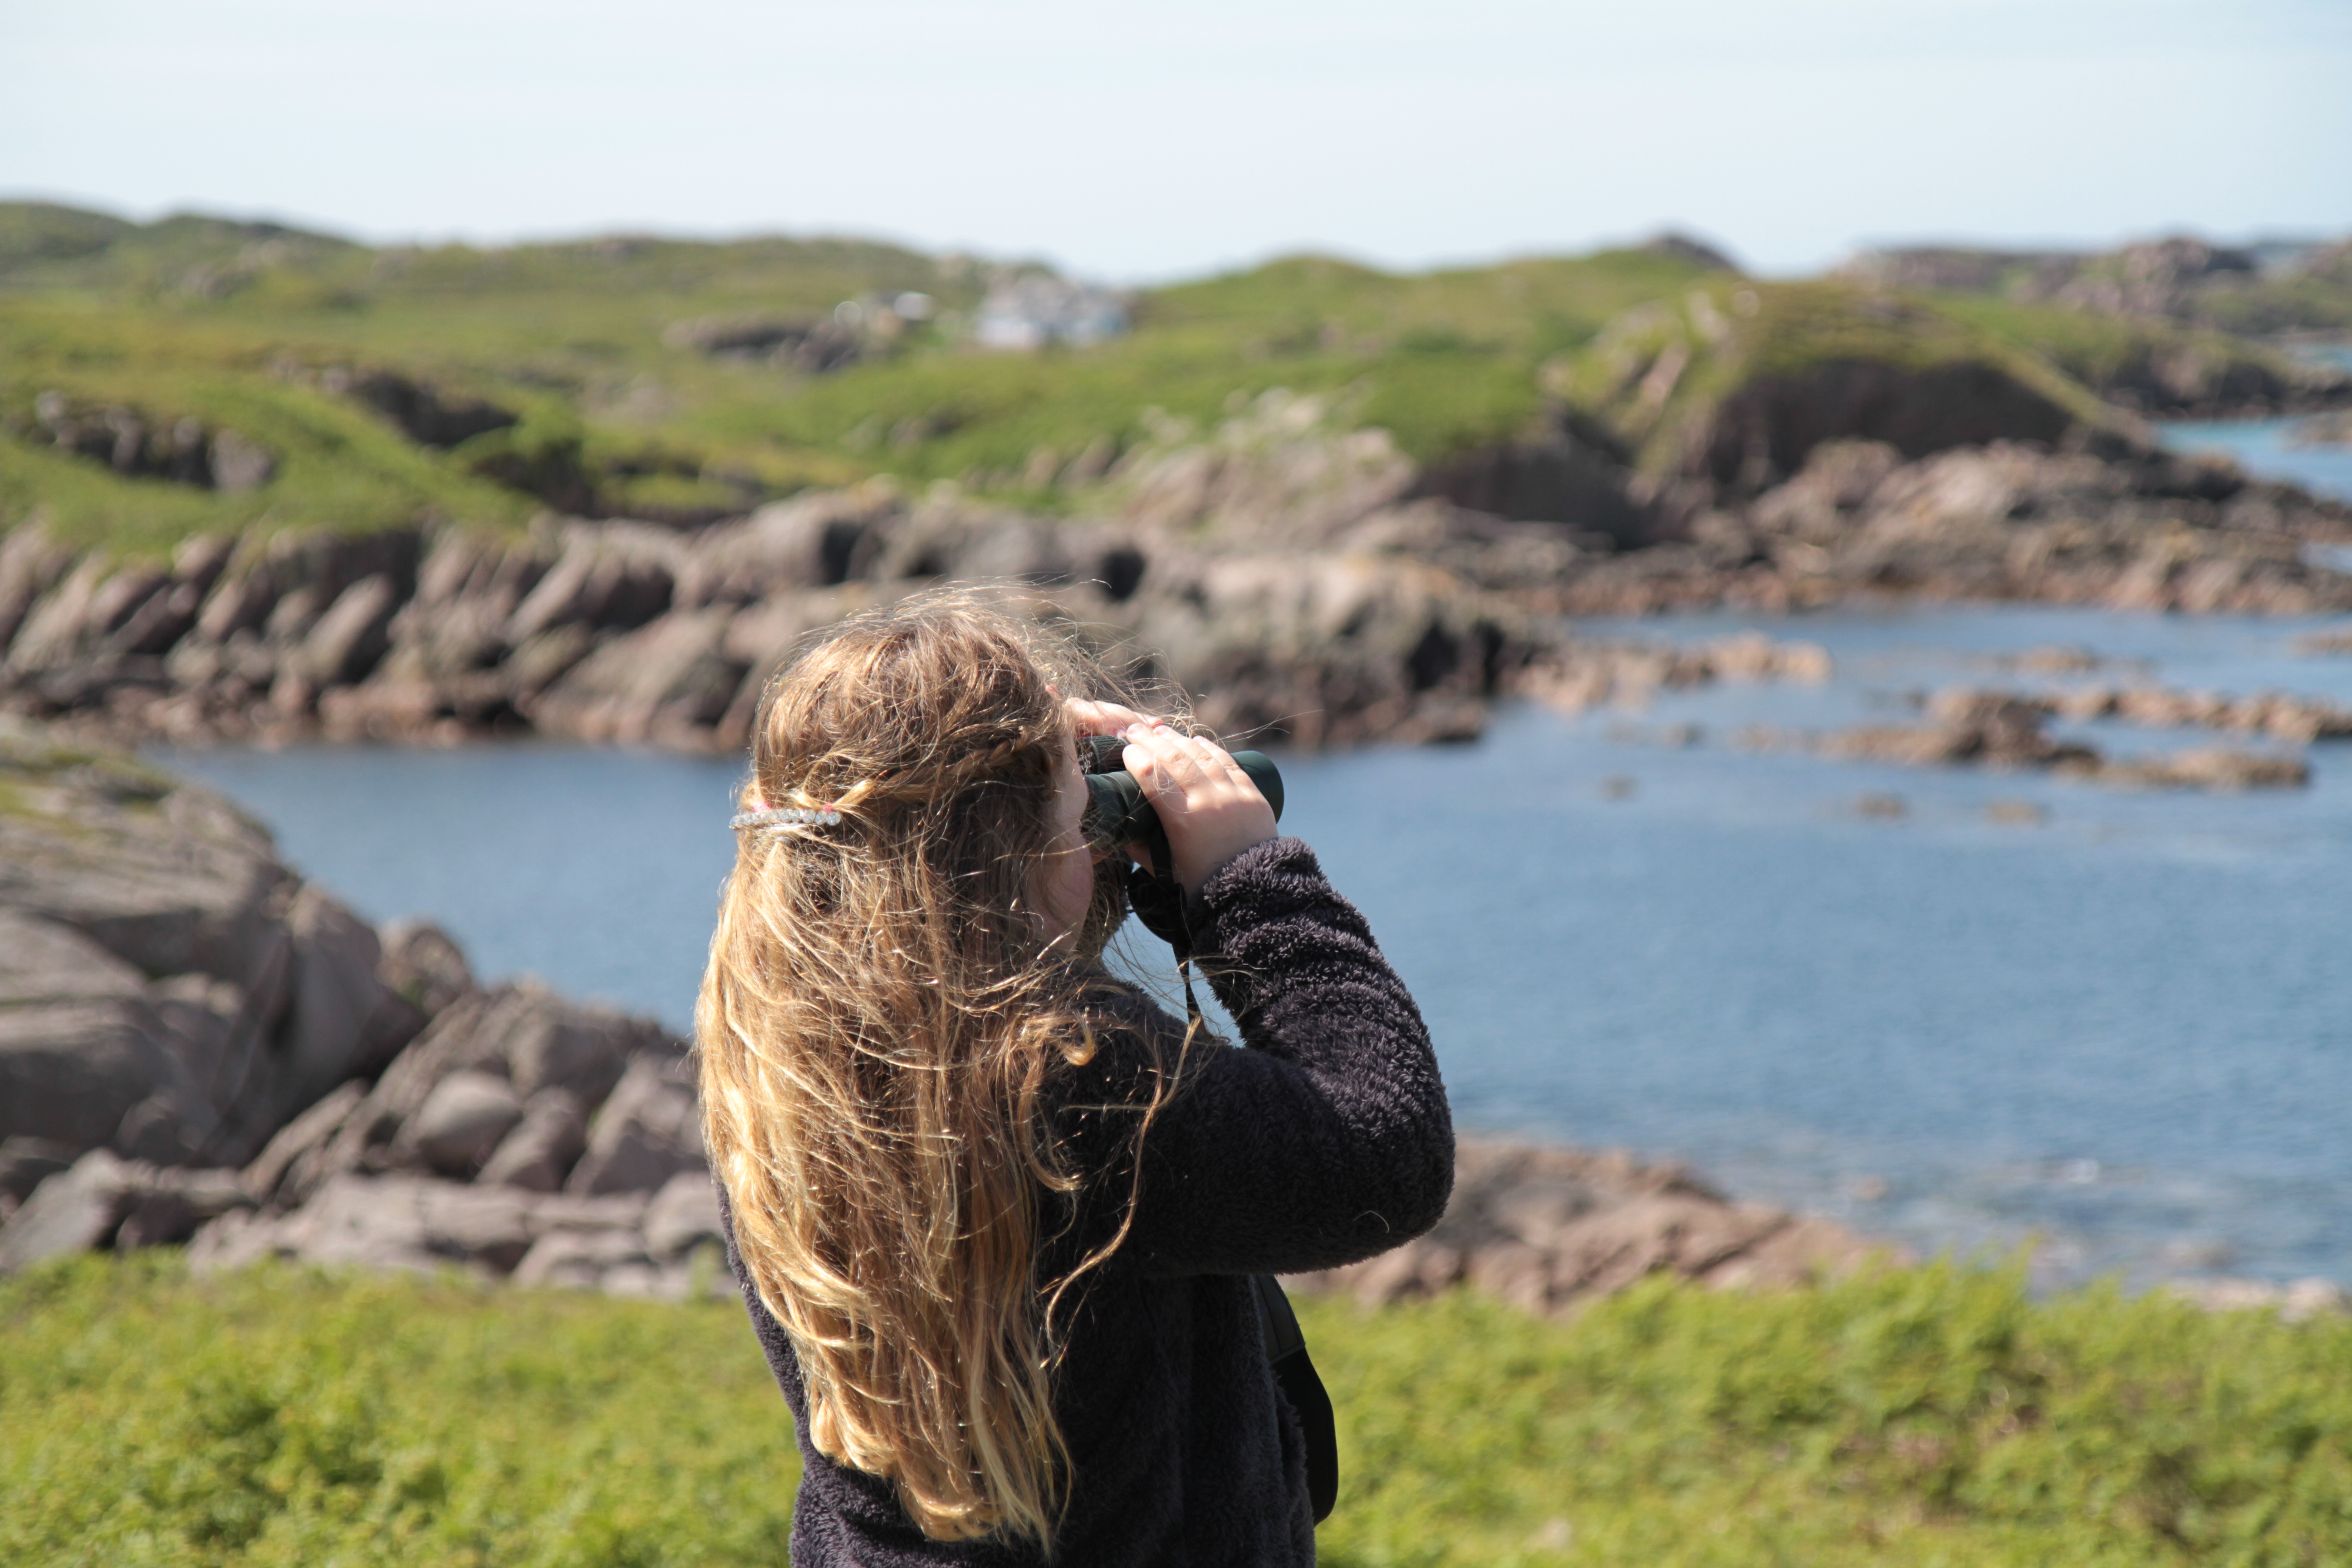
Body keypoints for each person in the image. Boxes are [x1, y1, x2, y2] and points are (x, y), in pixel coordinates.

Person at [696, 593, 1454, 1566]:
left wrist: (1044, 795)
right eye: (1077, 813)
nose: (1098, 840)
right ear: (1011, 856)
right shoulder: (1071, 1074)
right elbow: (1382, 1153)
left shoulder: (781, 1046)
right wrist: (1247, 884)